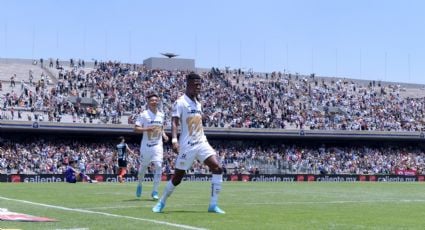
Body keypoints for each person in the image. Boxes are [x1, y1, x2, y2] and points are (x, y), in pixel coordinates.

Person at [152, 73, 225, 214]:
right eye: (196, 84)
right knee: (177, 178)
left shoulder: (198, 103)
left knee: (217, 167)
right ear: (188, 84)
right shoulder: (180, 102)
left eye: (200, 84)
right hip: (187, 145)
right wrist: (174, 140)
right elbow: (174, 122)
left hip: (202, 142)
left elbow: (196, 120)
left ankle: (213, 205)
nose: (199, 87)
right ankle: (162, 202)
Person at [134, 90, 169, 200]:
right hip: (146, 146)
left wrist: (164, 135)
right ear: (148, 102)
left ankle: (155, 191)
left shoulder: (161, 115)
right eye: (152, 100)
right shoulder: (143, 115)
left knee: (159, 166)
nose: (154, 102)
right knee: (143, 169)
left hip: (157, 146)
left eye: (155, 100)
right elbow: (136, 128)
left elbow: (161, 127)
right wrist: (147, 129)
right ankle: (139, 184)